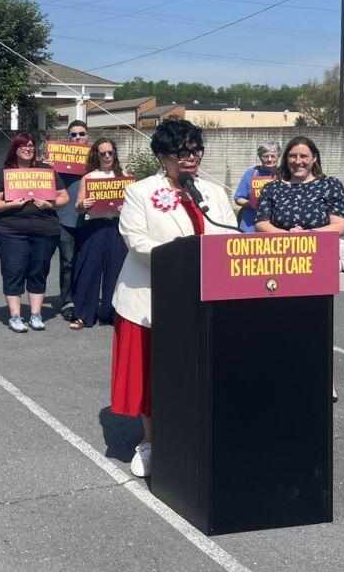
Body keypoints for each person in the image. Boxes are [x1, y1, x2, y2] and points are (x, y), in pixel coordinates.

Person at [111, 120, 236, 478]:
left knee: (198, 371)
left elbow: (228, 238)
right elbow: (136, 241)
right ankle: (149, 442)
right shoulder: (140, 192)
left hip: (206, 298)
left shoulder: (213, 193)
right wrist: (184, 257)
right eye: (183, 152)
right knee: (152, 375)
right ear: (163, 156)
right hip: (151, 298)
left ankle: (195, 434)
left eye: (196, 150)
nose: (192, 157)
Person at [254, 135, 344, 403]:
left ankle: (325, 380)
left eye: (304, 156)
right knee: (280, 324)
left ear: (314, 159)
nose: (298, 162)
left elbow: (338, 225)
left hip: (315, 264)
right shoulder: (273, 188)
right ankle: (285, 377)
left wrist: (307, 235)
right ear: (286, 159)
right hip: (279, 263)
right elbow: (261, 223)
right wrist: (287, 238)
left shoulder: (330, 185)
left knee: (316, 324)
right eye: (293, 156)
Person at [0, 132, 69, 333]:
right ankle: (15, 316)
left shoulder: (46, 171)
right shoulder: (5, 173)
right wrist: (10, 204)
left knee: (39, 272)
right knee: (13, 272)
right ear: (15, 149)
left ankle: (35, 314)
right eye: (23, 145)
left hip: (45, 231)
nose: (28, 148)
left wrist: (50, 204)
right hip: (11, 232)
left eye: (31, 145)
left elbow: (64, 197)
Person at [70, 138, 129, 329]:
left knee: (116, 271)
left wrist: (125, 208)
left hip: (115, 227)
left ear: (115, 153)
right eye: (103, 153)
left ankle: (111, 314)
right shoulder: (88, 178)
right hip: (93, 227)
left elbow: (133, 207)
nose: (107, 156)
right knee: (89, 270)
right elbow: (78, 207)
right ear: (97, 155)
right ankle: (82, 315)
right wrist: (82, 205)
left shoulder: (124, 177)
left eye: (110, 152)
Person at [53, 120, 88, 318]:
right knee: (67, 262)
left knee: (86, 261)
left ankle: (84, 297)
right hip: (65, 219)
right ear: (69, 138)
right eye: (73, 135)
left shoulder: (96, 160)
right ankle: (67, 301)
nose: (77, 137)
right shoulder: (58, 163)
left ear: (87, 135)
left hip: (90, 220)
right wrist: (48, 167)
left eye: (81, 133)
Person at [233, 141, 281, 232]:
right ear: (259, 157)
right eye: (265, 156)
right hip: (250, 223)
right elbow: (238, 199)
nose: (269, 159)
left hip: (276, 224)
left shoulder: (284, 174)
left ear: (279, 156)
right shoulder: (251, 173)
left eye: (273, 156)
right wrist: (254, 204)